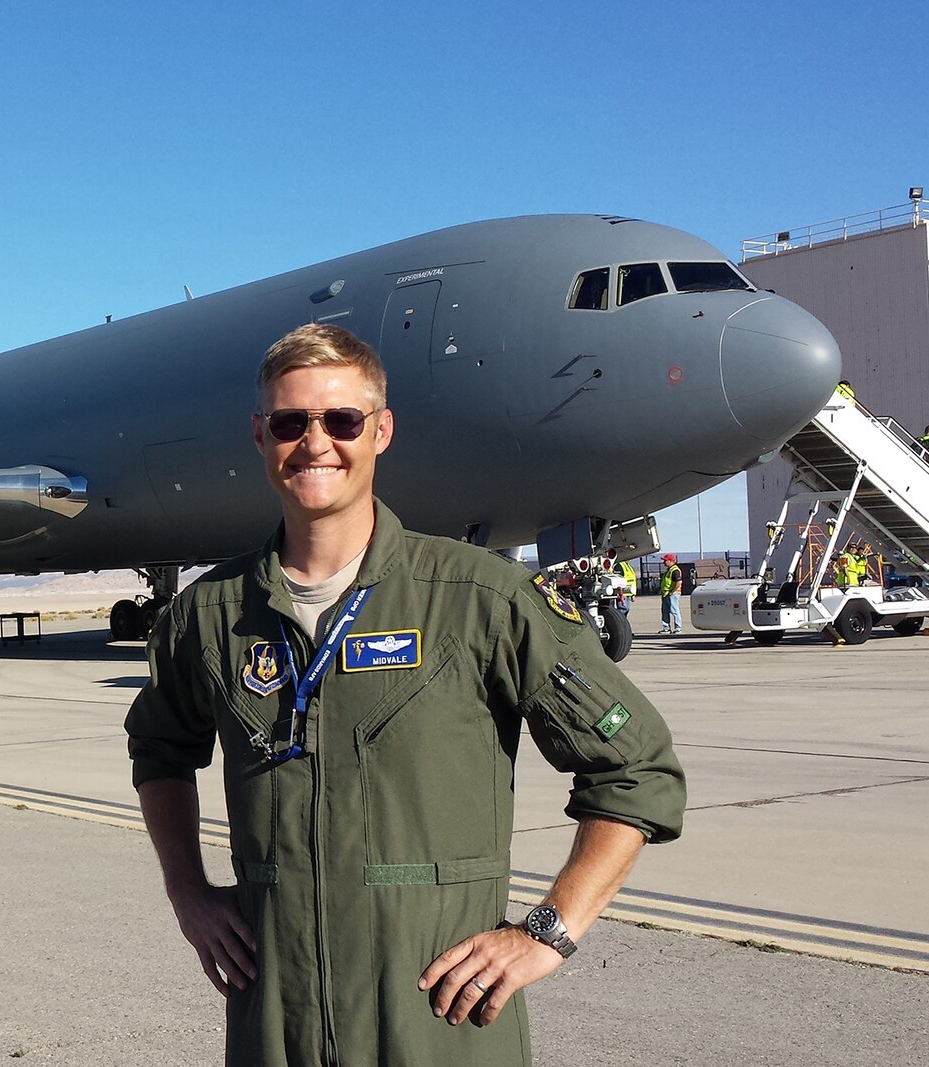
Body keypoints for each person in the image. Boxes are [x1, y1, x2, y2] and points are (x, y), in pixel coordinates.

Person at [125, 323, 686, 1066]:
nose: (315, 441)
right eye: (291, 422)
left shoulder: (479, 599)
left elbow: (638, 768)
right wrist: (188, 891)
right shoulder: (211, 613)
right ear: (261, 435)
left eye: (342, 420)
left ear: (380, 430)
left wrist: (550, 929)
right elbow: (160, 748)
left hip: (433, 1024)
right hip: (276, 1024)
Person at [658, 553, 682, 633]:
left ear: (671, 561)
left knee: (674, 610)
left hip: (673, 594)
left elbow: (679, 582)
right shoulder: (669, 570)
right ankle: (666, 628)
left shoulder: (675, 570)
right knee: (665, 611)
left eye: (665, 560)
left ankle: (678, 628)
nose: (664, 562)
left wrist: (672, 591)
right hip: (666, 594)